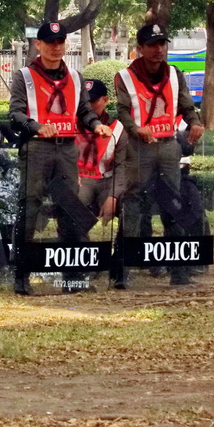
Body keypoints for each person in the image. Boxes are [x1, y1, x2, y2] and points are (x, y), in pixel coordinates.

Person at [9, 22, 113, 295]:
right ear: (38, 45)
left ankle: (73, 276)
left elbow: (84, 112)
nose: (56, 48)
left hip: (67, 150)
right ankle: (21, 275)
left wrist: (96, 125)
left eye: (60, 42)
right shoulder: (25, 76)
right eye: (50, 42)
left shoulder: (76, 78)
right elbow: (15, 114)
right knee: (29, 208)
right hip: (37, 148)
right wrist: (36, 126)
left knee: (70, 209)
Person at [115, 23, 205, 286]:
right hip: (139, 147)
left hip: (168, 146)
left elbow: (188, 106)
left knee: (172, 202)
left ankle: (178, 270)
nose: (158, 50)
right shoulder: (125, 77)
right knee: (133, 203)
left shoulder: (176, 74)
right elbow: (121, 111)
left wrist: (195, 122)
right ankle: (122, 267)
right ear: (140, 49)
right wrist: (135, 129)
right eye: (152, 45)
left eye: (162, 44)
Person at [75, 80, 128, 288]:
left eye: (93, 101)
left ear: (105, 101)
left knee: (130, 205)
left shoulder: (118, 128)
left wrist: (114, 196)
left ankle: (119, 260)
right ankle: (87, 259)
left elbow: (122, 167)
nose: (88, 107)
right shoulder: (71, 123)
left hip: (107, 180)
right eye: (85, 102)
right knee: (74, 207)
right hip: (81, 178)